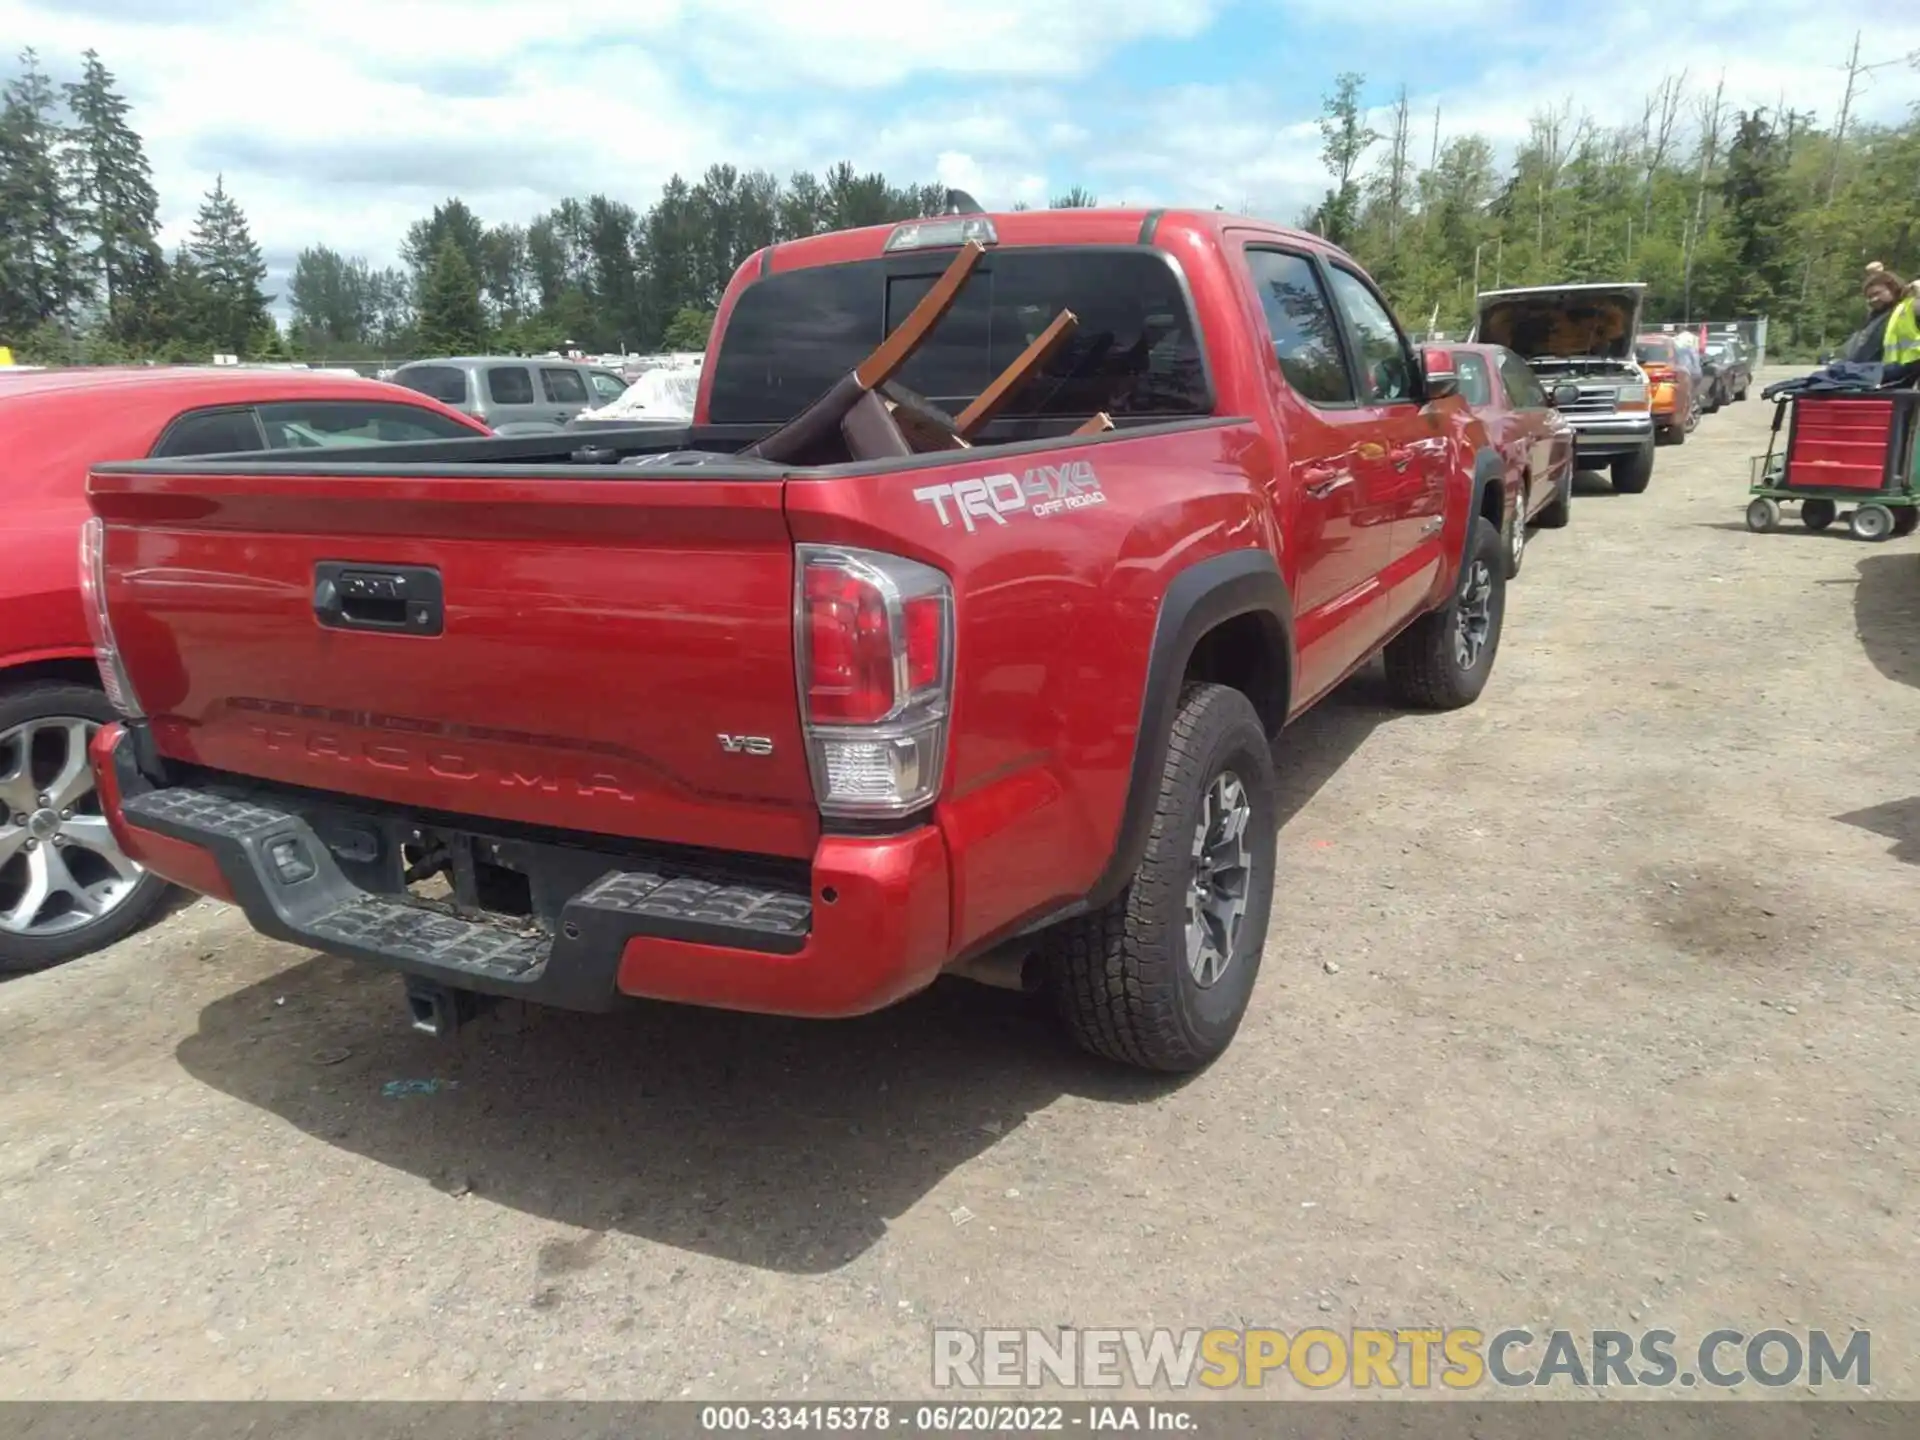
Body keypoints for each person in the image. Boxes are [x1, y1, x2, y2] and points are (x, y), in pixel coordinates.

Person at [1843, 263, 1920, 364]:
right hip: (1889, 372)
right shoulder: (1873, 319)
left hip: (1912, 370)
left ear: (1893, 289)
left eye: (1877, 293)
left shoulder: (1911, 306)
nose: (1872, 300)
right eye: (1869, 297)